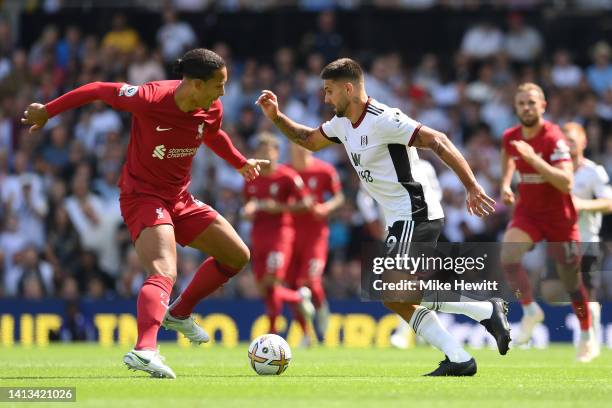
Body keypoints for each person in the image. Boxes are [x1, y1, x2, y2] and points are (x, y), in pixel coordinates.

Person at [21, 48, 268, 379]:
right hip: (142, 196)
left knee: (237, 256)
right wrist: (47, 112)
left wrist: (240, 161)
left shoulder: (211, 108)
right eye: (218, 85)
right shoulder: (150, 98)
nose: (223, 92)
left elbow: (212, 135)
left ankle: (178, 314)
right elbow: (97, 88)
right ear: (195, 84)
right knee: (164, 270)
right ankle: (145, 349)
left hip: (180, 198)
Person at [256, 58, 510, 376]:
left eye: (330, 91)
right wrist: (277, 117)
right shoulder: (341, 123)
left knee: (395, 290)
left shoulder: (384, 118)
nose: (325, 98)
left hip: (415, 211)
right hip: (398, 218)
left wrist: (472, 186)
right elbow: (308, 140)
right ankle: (461, 353)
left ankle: (484, 311)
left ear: (349, 88)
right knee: (395, 297)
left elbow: (438, 140)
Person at [499, 83, 593, 360]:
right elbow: (508, 157)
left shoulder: (554, 138)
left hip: (559, 218)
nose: (526, 108)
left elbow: (566, 182)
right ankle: (529, 310)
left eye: (531, 103)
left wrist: (532, 159)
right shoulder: (510, 136)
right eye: (521, 104)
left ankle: (586, 333)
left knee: (571, 283)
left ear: (543, 106)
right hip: (528, 212)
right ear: (515, 108)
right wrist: (506, 184)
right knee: (508, 256)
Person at [539, 122, 612, 362]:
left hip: (587, 240)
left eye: (572, 139)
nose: (566, 143)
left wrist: (582, 205)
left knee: (586, 295)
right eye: (563, 139)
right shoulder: (553, 171)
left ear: (583, 142)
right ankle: (588, 310)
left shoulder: (594, 171)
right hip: (559, 241)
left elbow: (608, 203)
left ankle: (587, 342)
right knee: (550, 292)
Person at [243, 133, 315, 338]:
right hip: (258, 235)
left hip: (280, 235)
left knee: (273, 281)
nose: (266, 156)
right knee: (263, 287)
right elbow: (248, 203)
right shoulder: (251, 178)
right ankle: (297, 299)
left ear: (277, 153)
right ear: (256, 154)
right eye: (262, 152)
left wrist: (279, 208)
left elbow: (306, 203)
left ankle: (272, 331)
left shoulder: (288, 176)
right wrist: (248, 211)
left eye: (270, 151)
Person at [288, 143, 344, 340]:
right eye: (294, 150)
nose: (298, 153)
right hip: (290, 236)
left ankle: (321, 306)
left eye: (302, 149)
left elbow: (339, 197)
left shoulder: (324, 170)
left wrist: (326, 208)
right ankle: (305, 333)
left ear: (309, 150)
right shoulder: (286, 173)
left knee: (309, 280)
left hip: (316, 235)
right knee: (292, 286)